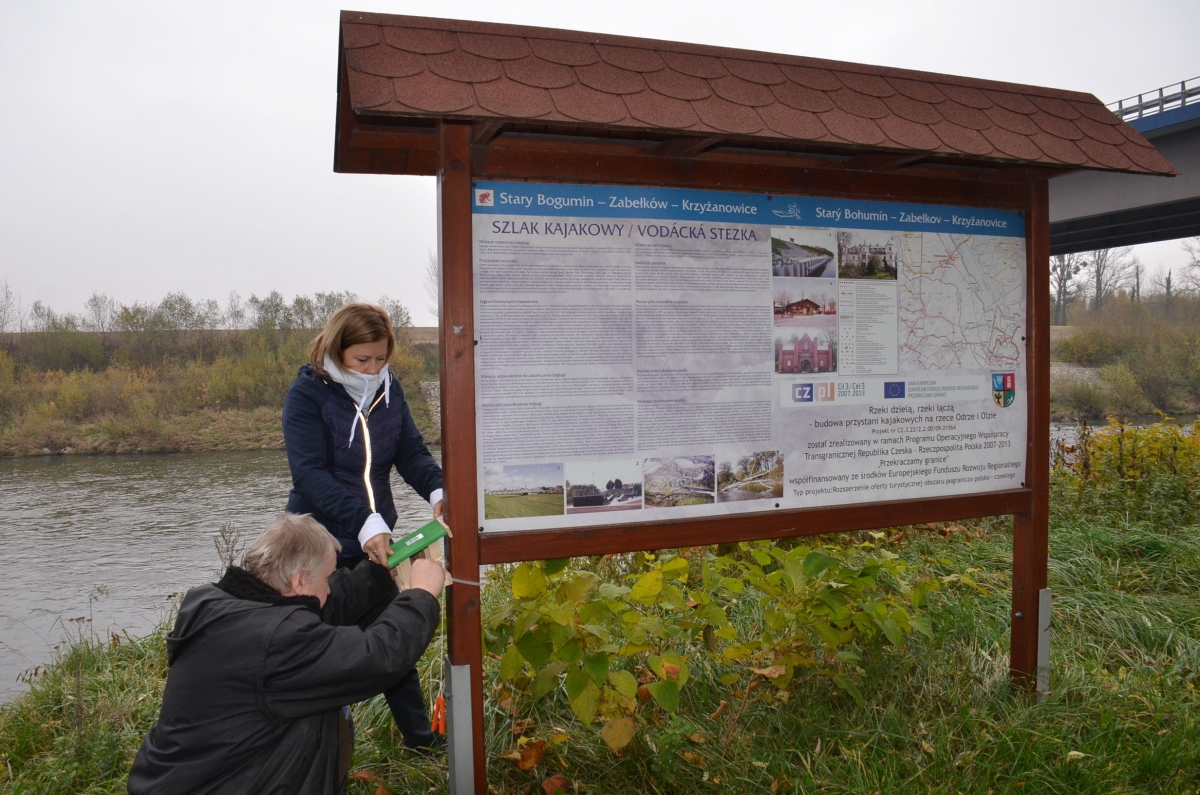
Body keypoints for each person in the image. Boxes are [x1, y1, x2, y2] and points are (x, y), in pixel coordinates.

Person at [128, 513, 445, 794]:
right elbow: (376, 658)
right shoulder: (276, 642)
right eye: (327, 577)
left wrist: (378, 574)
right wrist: (420, 596)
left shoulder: (221, 604)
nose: (330, 587)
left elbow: (315, 609)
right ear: (299, 580)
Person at [282, 302, 445, 750]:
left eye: (380, 358)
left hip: (376, 543)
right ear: (337, 350)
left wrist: (439, 491)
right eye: (362, 360)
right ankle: (322, 750)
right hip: (319, 545)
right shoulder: (308, 395)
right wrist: (363, 520)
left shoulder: (389, 390)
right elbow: (309, 474)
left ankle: (420, 740)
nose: (373, 368)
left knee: (391, 639)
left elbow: (410, 452)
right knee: (321, 653)